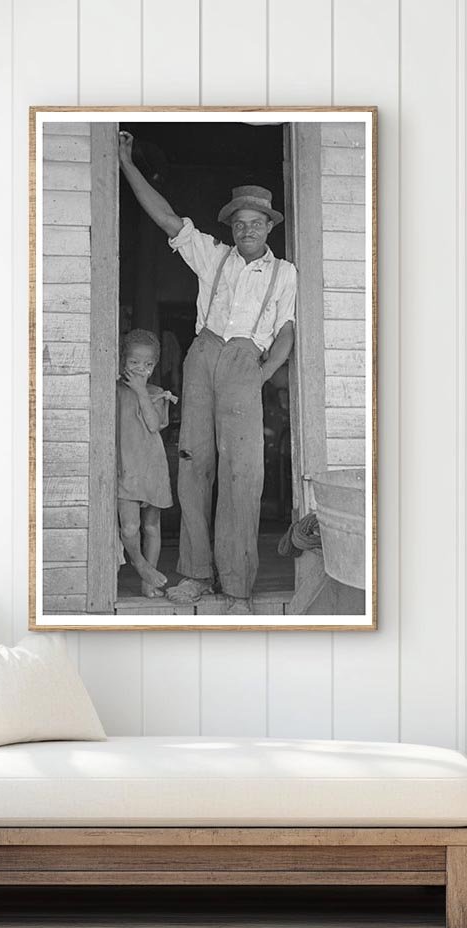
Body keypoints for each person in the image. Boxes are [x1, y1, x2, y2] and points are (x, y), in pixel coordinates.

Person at [118, 130, 298, 614]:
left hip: (246, 364)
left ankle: (238, 587)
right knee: (194, 468)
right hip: (203, 357)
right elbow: (165, 218)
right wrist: (126, 163)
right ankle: (196, 575)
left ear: (268, 226)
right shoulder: (213, 256)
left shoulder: (284, 274)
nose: (246, 231)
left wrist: (259, 377)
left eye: (255, 223)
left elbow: (285, 333)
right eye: (239, 223)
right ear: (232, 227)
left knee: (243, 477)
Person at [117, 328, 177, 599]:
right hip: (125, 467)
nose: (141, 369)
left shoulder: (156, 393)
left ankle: (148, 580)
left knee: (151, 527)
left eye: (148, 364)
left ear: (155, 365)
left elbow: (154, 425)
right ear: (122, 361)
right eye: (134, 363)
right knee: (130, 527)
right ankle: (141, 566)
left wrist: (142, 391)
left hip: (152, 467)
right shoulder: (113, 391)